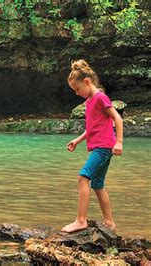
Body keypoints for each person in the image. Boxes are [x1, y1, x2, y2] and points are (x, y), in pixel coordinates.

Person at [62, 59, 123, 233]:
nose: (76, 93)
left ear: (87, 82)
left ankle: (81, 220)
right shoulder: (89, 101)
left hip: (104, 147)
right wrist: (77, 140)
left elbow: (117, 118)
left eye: (77, 89)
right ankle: (110, 223)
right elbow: (91, 128)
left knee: (83, 177)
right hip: (101, 147)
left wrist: (119, 141)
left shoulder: (100, 98)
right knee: (97, 184)